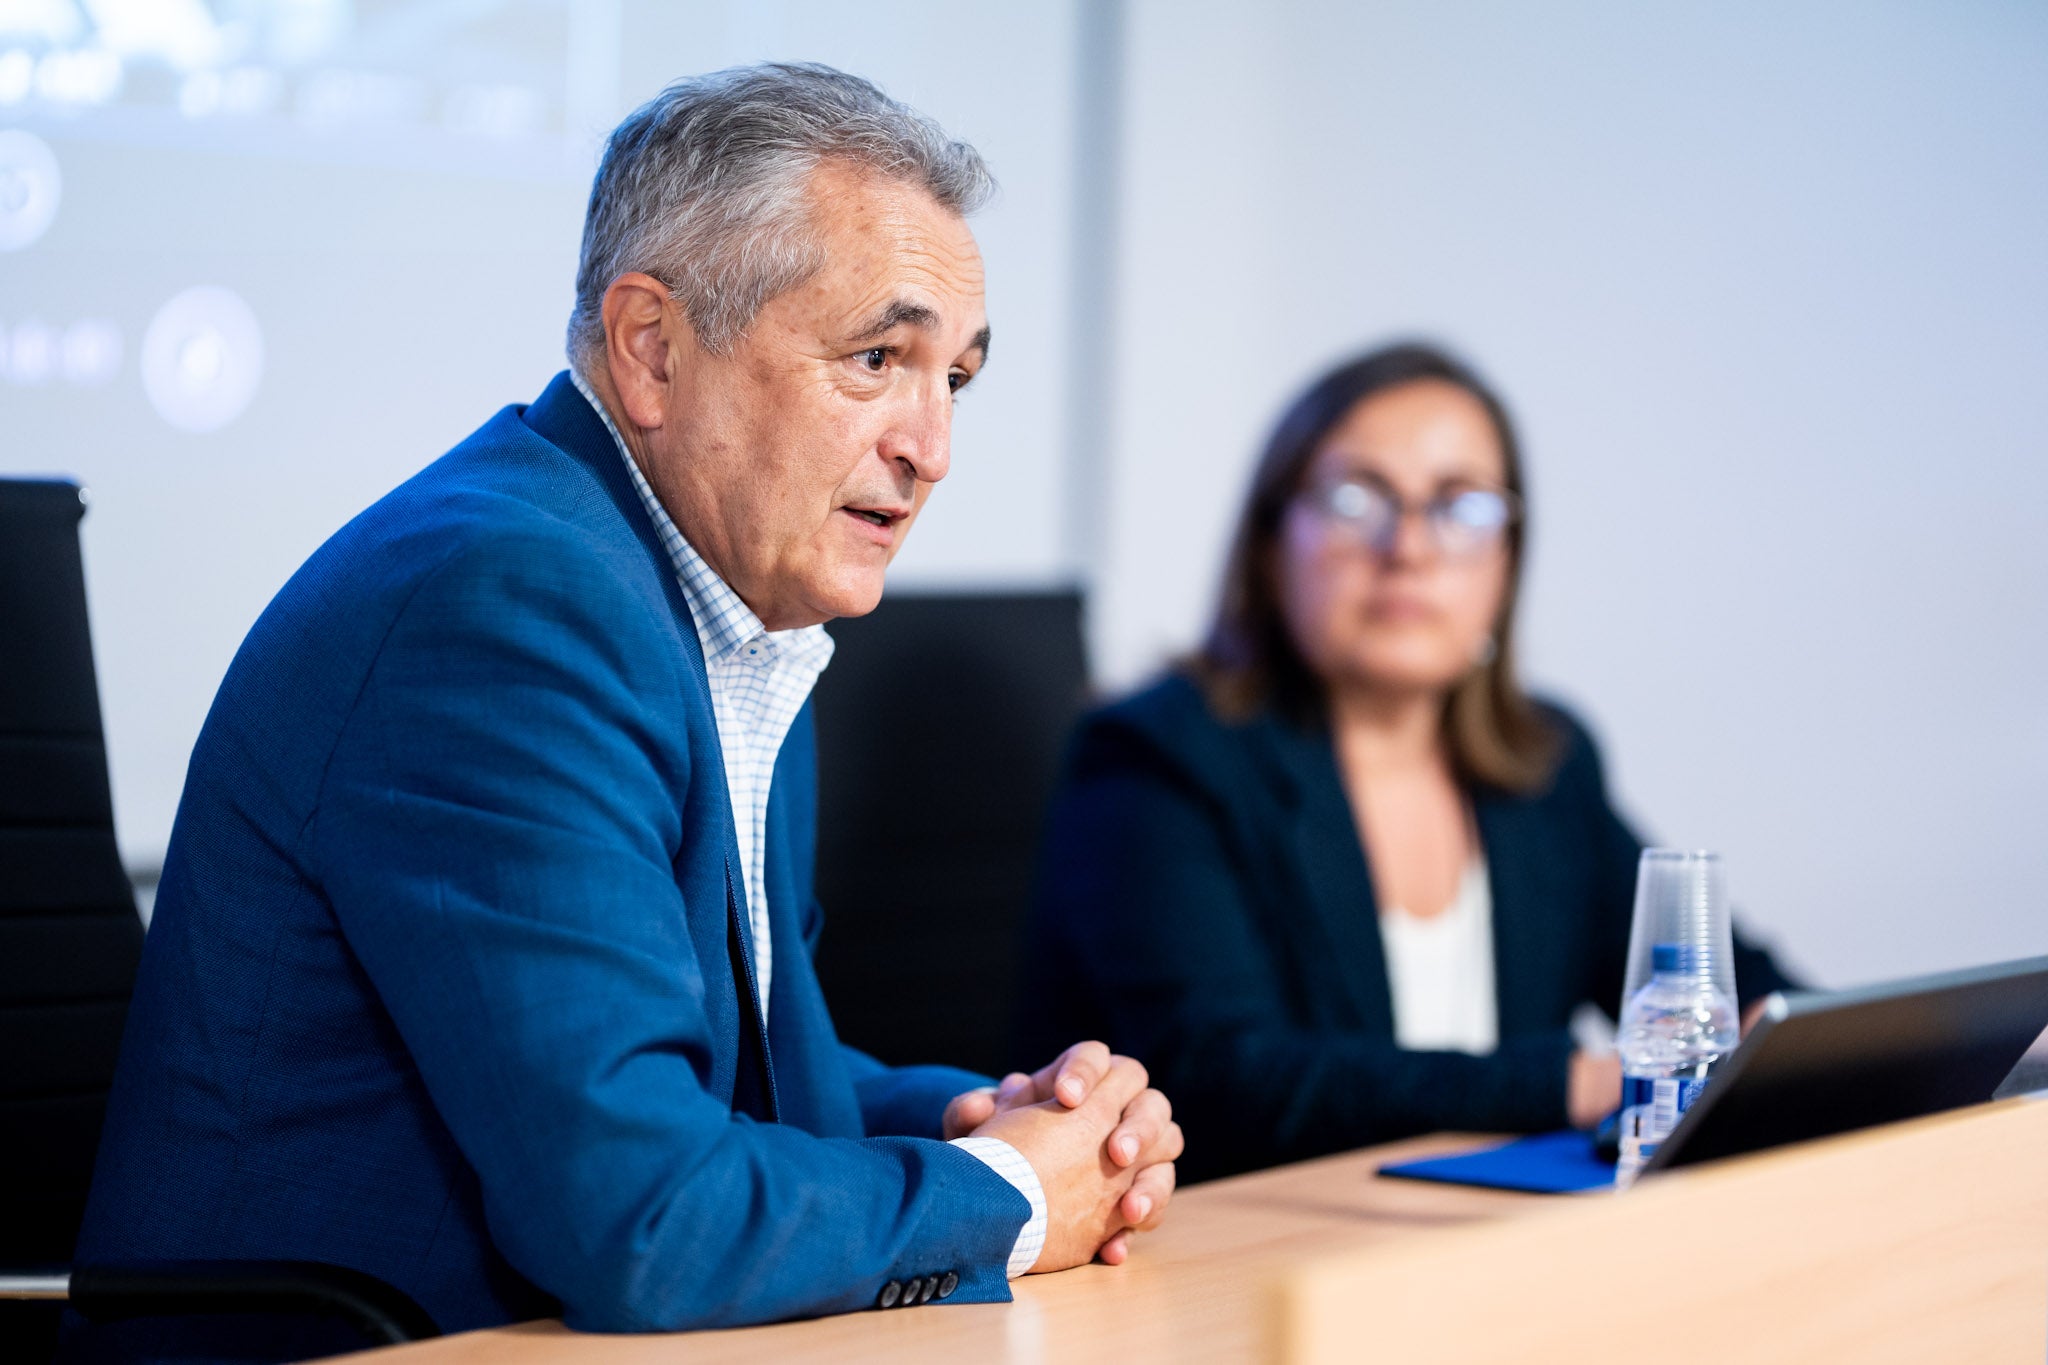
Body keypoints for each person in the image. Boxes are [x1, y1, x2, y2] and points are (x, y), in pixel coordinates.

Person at [71, 64, 1180, 1361]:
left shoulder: (723, 610)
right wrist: (1018, 1198)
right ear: (651, 347)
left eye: (957, 379)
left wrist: (987, 1124)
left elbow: (750, 1073)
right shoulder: (503, 607)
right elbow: (642, 1218)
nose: (930, 445)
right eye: (877, 359)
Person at [1021, 342, 1796, 1184]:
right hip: (1245, 1257)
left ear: (1505, 561)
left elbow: (1719, 989)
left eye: (1461, 508)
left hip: (1484, 1247)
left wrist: (1785, 1039)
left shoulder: (1547, 767)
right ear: (1273, 539)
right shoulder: (1156, 760)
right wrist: (1582, 1080)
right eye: (1359, 498)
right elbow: (1226, 1076)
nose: (1410, 547)